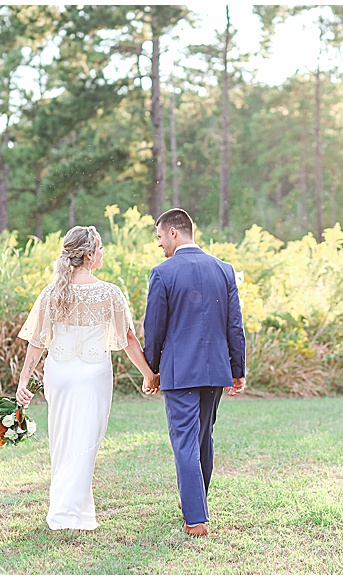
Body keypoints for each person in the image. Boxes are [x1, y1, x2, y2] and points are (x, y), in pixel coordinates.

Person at [15, 225, 157, 531]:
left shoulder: (51, 292)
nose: (104, 252)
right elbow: (129, 338)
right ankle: (74, 513)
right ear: (90, 255)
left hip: (60, 373)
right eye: (101, 248)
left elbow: (37, 341)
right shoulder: (110, 293)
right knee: (86, 443)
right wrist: (149, 375)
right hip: (94, 375)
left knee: (62, 441)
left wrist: (23, 381)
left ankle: (64, 511)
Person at [142, 208, 246, 537]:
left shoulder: (163, 273)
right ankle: (195, 499)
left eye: (159, 236)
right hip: (216, 370)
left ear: (174, 233)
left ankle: (196, 519)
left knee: (185, 440)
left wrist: (152, 369)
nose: (158, 244)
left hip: (180, 372)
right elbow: (234, 325)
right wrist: (237, 368)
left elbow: (154, 328)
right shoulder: (223, 269)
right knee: (203, 438)